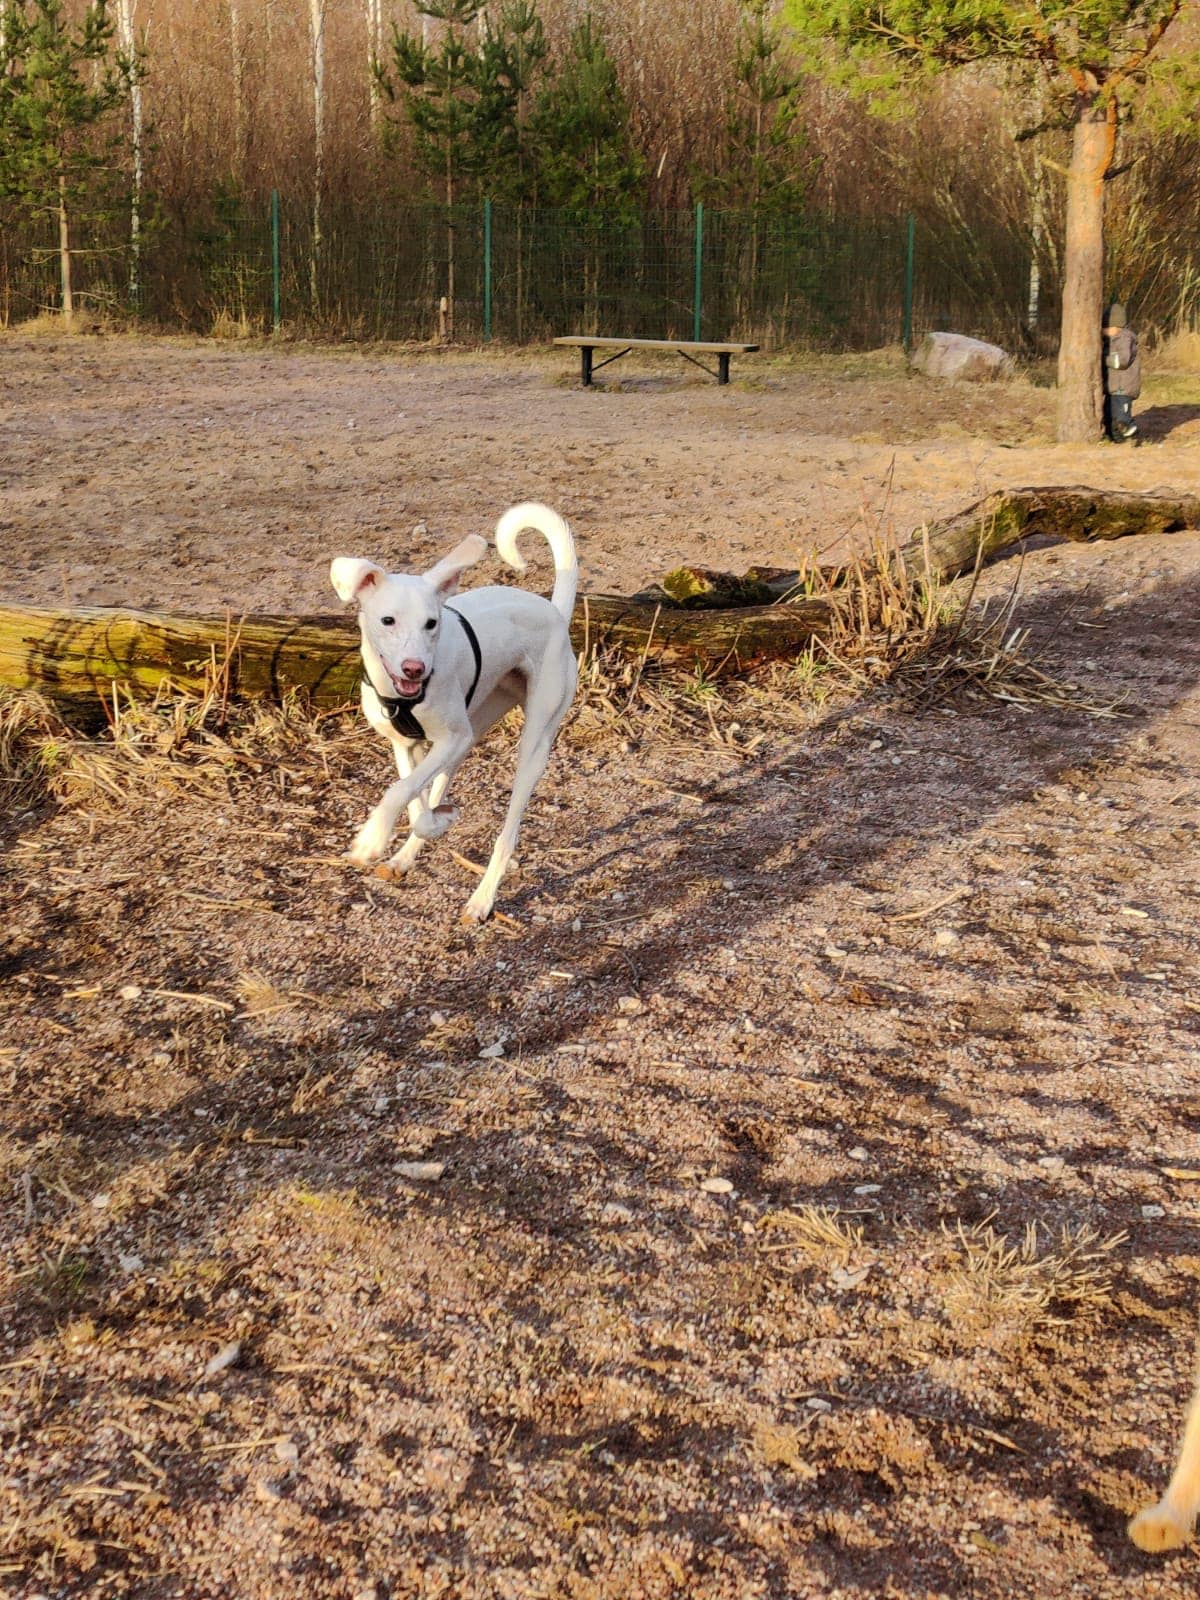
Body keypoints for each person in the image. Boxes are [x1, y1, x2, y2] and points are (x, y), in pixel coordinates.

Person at [1102, 301, 1141, 441]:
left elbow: (1122, 361)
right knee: (1109, 416)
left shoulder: (1124, 338)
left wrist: (1103, 359)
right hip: (1114, 388)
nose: (1103, 331)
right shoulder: (1112, 340)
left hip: (1123, 388)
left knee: (1121, 416)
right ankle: (1116, 439)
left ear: (1115, 326)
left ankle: (1132, 430)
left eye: (1105, 328)